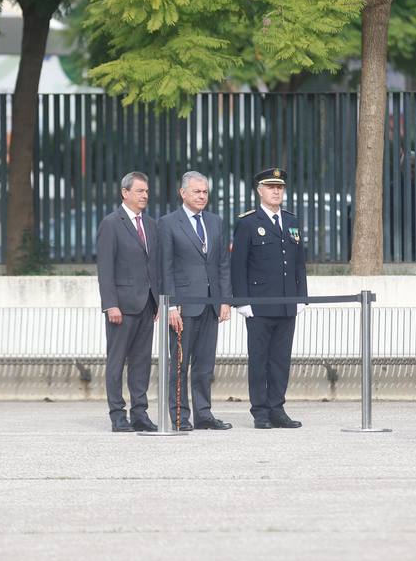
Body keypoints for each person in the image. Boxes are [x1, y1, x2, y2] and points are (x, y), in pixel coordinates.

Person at [231, 167, 308, 429]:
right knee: (259, 360)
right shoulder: (248, 222)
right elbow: (238, 265)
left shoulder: (291, 220)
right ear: (259, 191)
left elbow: (299, 264)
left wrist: (301, 298)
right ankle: (260, 411)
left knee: (280, 360)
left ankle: (277, 408)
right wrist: (242, 301)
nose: (276, 191)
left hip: (287, 303)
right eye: (270, 187)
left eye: (280, 187)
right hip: (260, 305)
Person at [160, 171, 233, 431]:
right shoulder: (168, 223)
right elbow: (165, 267)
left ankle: (204, 414)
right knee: (179, 365)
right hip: (183, 307)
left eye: (205, 192)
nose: (202, 196)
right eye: (197, 192)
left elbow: (223, 263)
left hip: (211, 304)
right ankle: (180, 417)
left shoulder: (215, 221)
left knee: (204, 366)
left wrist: (225, 300)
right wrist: (169, 305)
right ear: (183, 193)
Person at [95, 171, 162, 432]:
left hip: (147, 305)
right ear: (125, 193)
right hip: (121, 306)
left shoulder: (151, 225)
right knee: (117, 361)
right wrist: (110, 304)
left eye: (146, 191)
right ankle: (117, 414)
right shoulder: (111, 223)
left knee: (142, 361)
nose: (144, 195)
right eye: (139, 191)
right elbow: (106, 268)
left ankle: (140, 413)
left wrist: (157, 301)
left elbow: (153, 265)